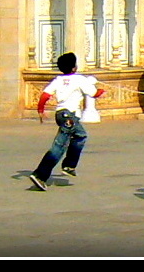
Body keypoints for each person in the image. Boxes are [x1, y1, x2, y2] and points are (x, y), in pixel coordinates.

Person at [28, 52, 104, 191]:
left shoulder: (57, 80)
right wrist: (101, 88)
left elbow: (45, 95)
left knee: (80, 135)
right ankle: (41, 174)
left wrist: (40, 110)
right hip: (70, 116)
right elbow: (94, 94)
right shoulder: (80, 79)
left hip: (60, 114)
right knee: (59, 146)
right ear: (74, 67)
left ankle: (69, 165)